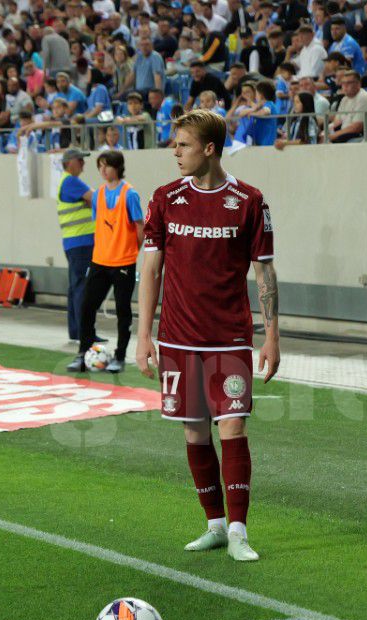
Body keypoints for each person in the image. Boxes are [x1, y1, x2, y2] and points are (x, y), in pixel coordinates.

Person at [134, 109, 278, 562]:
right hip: (177, 338)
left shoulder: (250, 200)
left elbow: (265, 271)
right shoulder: (165, 198)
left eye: (183, 145)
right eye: (174, 145)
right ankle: (214, 524)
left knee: (232, 426)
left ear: (209, 148)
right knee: (195, 434)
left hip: (229, 338)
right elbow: (151, 269)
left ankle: (238, 531)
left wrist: (271, 335)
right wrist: (143, 335)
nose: (174, 152)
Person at [67, 151, 144, 375]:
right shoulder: (98, 194)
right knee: (87, 306)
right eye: (100, 166)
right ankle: (83, 353)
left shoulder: (130, 194)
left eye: (107, 166)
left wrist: (132, 251)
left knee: (123, 311)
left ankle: (119, 356)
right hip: (100, 260)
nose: (103, 170)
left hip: (123, 262)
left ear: (117, 167)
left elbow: (140, 226)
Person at [55, 148, 101, 343]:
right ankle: (85, 331)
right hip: (81, 242)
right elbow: (97, 199)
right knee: (83, 287)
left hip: (74, 242)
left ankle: (77, 331)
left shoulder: (67, 182)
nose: (83, 162)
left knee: (76, 287)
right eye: (79, 159)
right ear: (70, 162)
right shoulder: (71, 181)